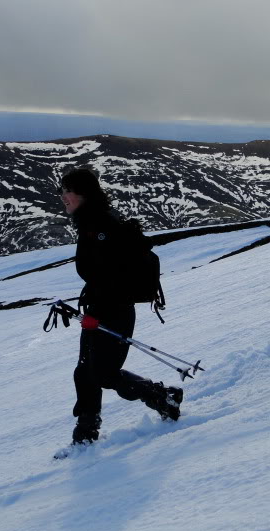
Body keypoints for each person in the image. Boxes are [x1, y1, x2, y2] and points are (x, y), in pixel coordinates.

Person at [59, 167, 183, 446]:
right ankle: (86, 432)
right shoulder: (91, 223)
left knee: (102, 373)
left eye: (68, 190)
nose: (63, 197)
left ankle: (163, 397)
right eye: (62, 191)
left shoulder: (101, 227)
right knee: (85, 370)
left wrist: (99, 311)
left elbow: (115, 275)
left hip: (113, 311)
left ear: (84, 193)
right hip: (101, 308)